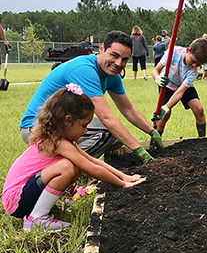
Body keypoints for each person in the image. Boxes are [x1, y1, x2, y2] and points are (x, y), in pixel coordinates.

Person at [3, 85, 146, 232]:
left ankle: (43, 208)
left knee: (76, 165)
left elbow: (93, 161)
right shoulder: (57, 142)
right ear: (68, 120)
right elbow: (93, 170)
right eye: (84, 126)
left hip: (24, 195)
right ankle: (36, 219)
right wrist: (122, 184)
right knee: (66, 167)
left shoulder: (64, 140)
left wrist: (125, 176)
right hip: (16, 200)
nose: (85, 131)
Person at [19, 31, 161, 161]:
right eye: (114, 55)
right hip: (37, 128)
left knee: (118, 140)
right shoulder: (84, 69)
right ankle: (61, 166)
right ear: (101, 49)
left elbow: (128, 109)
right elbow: (106, 118)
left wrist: (152, 131)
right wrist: (141, 152)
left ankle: (90, 163)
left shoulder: (111, 75)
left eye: (124, 59)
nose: (118, 63)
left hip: (64, 124)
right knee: (107, 132)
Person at [152, 38, 207, 138]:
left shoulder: (195, 70)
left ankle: (202, 142)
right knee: (165, 115)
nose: (194, 65)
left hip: (183, 86)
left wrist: (166, 107)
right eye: (193, 61)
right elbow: (156, 70)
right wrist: (157, 78)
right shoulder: (173, 52)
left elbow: (180, 92)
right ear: (188, 50)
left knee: (199, 109)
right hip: (167, 84)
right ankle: (156, 142)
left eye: (198, 64)